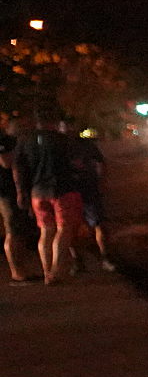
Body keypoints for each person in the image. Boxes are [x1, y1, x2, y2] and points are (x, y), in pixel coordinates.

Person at [17, 114, 85, 284]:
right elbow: (77, 164)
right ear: (53, 122)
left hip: (37, 192)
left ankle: (47, 272)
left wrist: (21, 191)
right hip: (63, 190)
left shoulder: (25, 141)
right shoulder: (63, 140)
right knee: (63, 230)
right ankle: (56, 271)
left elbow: (18, 167)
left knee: (46, 232)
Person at [58, 118, 107, 270]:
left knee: (98, 225)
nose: (68, 129)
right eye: (64, 126)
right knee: (71, 228)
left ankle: (105, 258)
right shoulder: (58, 145)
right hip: (69, 191)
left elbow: (100, 162)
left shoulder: (86, 144)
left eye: (70, 125)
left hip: (88, 189)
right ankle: (78, 261)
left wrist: (101, 181)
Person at [0, 118, 33, 282]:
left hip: (12, 192)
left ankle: (21, 270)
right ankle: (17, 272)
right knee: (12, 232)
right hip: (6, 192)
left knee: (18, 232)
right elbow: (6, 163)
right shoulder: (5, 141)